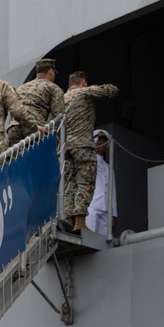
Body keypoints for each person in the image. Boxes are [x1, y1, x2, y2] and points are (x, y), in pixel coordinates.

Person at [62, 71, 118, 230]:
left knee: (69, 184)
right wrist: (91, 88)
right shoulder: (85, 91)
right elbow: (111, 90)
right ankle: (80, 221)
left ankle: (69, 220)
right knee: (84, 182)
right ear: (84, 82)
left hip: (66, 148)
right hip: (83, 146)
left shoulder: (61, 99)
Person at [6, 58, 65, 146]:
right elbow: (59, 116)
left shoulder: (21, 88)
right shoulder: (53, 87)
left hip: (13, 128)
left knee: (19, 159)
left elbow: (14, 110)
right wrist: (60, 143)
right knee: (39, 158)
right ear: (51, 71)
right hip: (35, 127)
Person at [87, 129, 117, 235]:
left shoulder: (109, 167)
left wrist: (114, 213)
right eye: (99, 140)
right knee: (90, 236)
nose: (101, 143)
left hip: (106, 208)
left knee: (103, 240)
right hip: (92, 205)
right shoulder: (89, 161)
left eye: (104, 141)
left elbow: (112, 191)